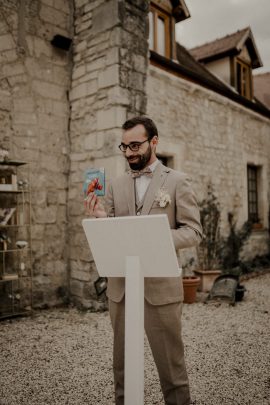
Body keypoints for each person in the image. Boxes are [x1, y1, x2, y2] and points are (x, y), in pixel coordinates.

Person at [84, 116, 202, 405]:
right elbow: (113, 228)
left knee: (172, 370)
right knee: (122, 369)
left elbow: (194, 231)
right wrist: (100, 219)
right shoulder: (114, 185)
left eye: (135, 145)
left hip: (160, 289)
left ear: (154, 142)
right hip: (121, 289)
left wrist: (156, 237)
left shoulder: (177, 181)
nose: (129, 152)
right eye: (124, 146)